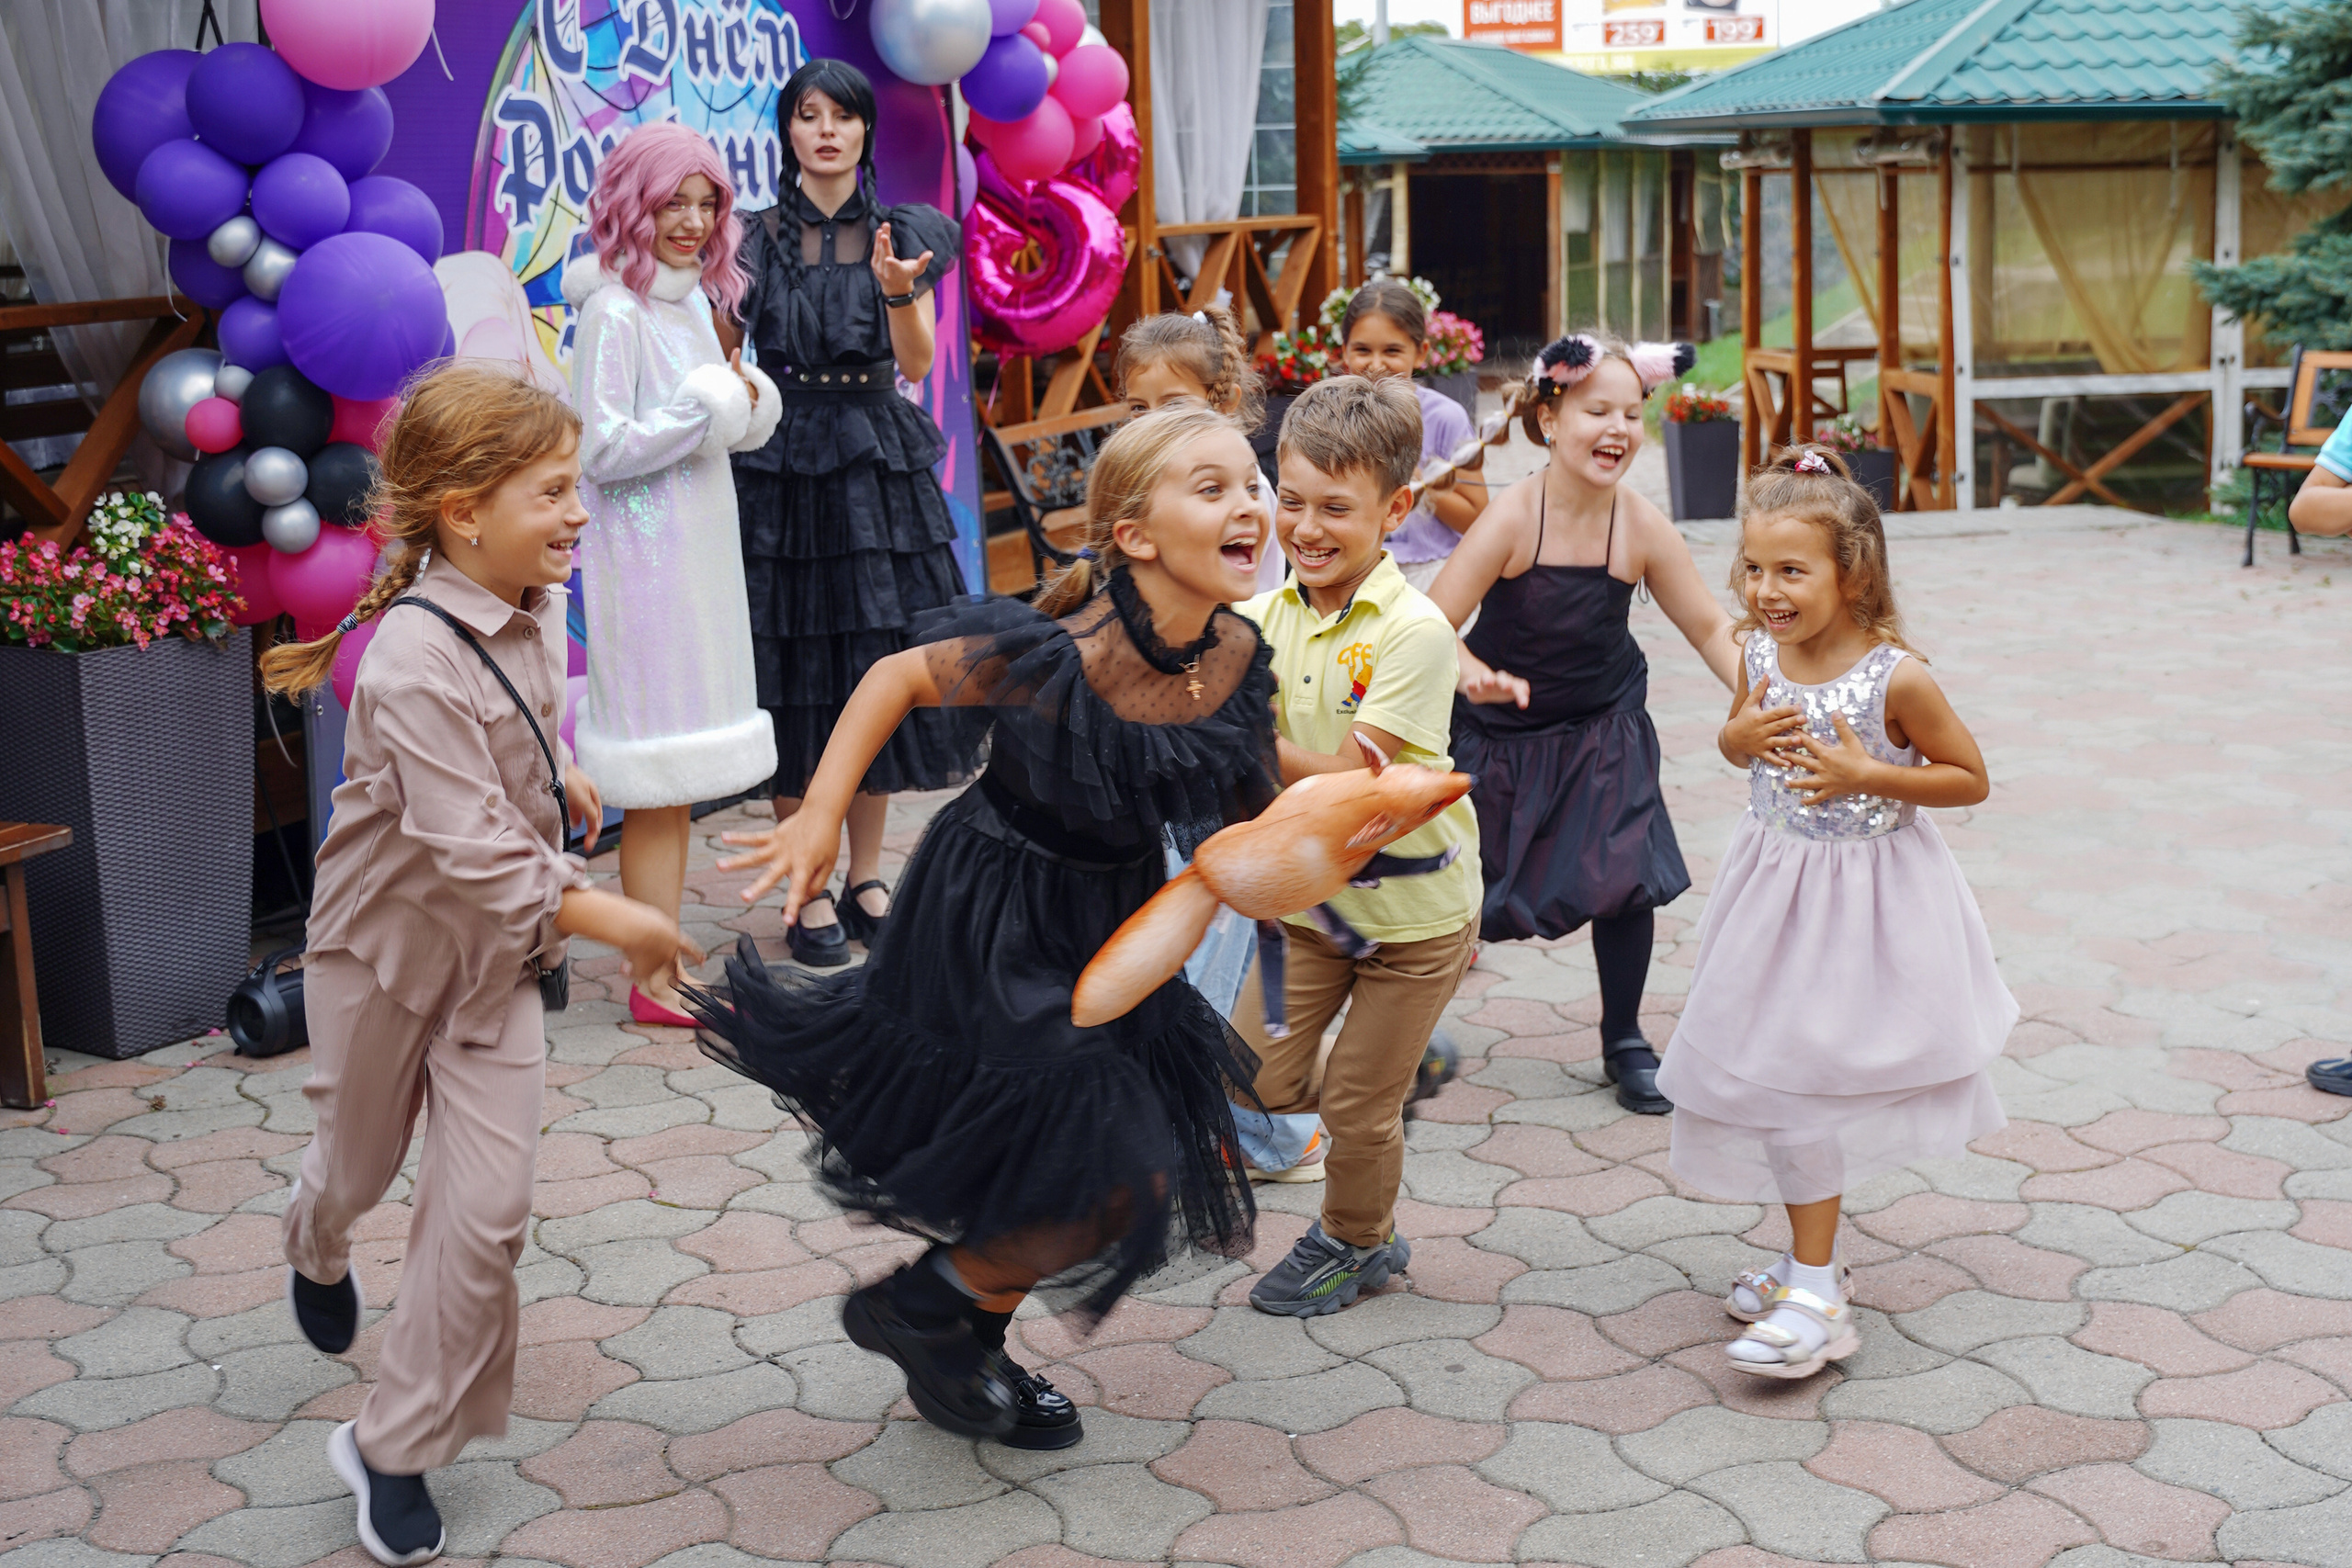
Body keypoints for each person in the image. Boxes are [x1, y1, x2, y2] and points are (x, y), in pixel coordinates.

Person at [695, 405, 1279, 1450]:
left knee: (1062, 1160)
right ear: (1136, 535)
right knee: (1117, 1172)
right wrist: (821, 813)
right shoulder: (1068, 652)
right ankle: (924, 1305)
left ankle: (959, 1338)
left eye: (1251, 483)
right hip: (996, 915)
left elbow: (1252, 776)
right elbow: (898, 677)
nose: (1249, 505)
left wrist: (1376, 788)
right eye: (1212, 488)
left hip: (1112, 919)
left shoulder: (1228, 648)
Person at [260, 365, 701, 1566]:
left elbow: (512, 722)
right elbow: (467, 844)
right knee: (357, 1168)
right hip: (383, 956)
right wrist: (615, 918)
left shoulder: (532, 597)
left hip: (500, 963)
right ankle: (315, 1236)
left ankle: (393, 1444)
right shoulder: (407, 658)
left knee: (488, 1215)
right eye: (551, 492)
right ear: (464, 513)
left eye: (574, 487)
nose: (577, 513)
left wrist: (560, 768)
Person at [1656, 446, 2015, 1380]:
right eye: (1753, 567)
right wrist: (1735, 735)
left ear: (1851, 573)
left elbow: (1968, 776)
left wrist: (1869, 773)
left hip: (1865, 911)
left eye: (1790, 570)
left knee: (1801, 1082)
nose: (1765, 589)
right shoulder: (1758, 654)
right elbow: (1739, 743)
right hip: (1770, 897)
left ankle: (1816, 1291)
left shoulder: (1897, 678)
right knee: (1774, 1074)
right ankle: (1807, 1262)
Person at [1229, 375, 1483, 1314]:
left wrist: (1234, 728)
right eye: (1292, 501)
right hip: (1309, 907)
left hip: (1413, 919)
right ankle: (1395, 1067)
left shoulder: (1415, 633)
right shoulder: (1257, 621)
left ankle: (1355, 1240)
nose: (1306, 528)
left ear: (1396, 510)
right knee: (1252, 1081)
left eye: (1336, 508)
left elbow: (1346, 781)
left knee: (1355, 1112)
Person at [1433, 333, 1736, 1115]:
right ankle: (1404, 1036)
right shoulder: (1512, 517)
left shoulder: (1641, 524)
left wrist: (1765, 692)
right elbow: (1431, 623)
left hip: (1604, 720)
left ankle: (1625, 1037)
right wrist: (1469, 673)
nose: (1618, 428)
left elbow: (1711, 627)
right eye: (1597, 410)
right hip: (1500, 732)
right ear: (1548, 418)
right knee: (1459, 887)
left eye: (1633, 414)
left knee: (1626, 873)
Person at [724, 57, 971, 967]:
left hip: (873, 452)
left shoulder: (904, 231)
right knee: (797, 674)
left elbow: (916, 357)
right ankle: (809, 883)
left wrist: (897, 286)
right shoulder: (749, 238)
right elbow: (726, 361)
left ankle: (866, 876)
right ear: (787, 131)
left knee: (876, 664)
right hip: (782, 459)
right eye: (808, 115)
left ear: (866, 131)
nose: (826, 131)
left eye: (842, 116)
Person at [565, 120, 779, 1025]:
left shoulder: (689, 301)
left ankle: (659, 967)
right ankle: (651, 980)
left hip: (699, 558)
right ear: (633, 204)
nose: (693, 222)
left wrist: (744, 398)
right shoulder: (614, 311)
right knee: (656, 780)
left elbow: (715, 412)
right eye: (673, 204)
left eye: (706, 203)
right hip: (645, 571)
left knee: (677, 783)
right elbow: (601, 449)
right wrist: (708, 408)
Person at [1334, 279, 1487, 594]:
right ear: (1344, 351)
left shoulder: (1445, 418)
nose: (1376, 365)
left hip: (1431, 576)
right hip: (1353, 574)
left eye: (1392, 351)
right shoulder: (1329, 417)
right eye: (1363, 350)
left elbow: (1477, 518)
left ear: (1421, 353)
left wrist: (1415, 479)